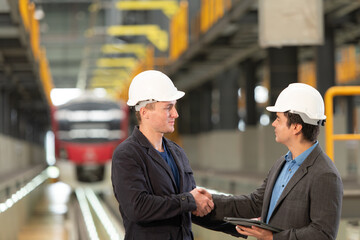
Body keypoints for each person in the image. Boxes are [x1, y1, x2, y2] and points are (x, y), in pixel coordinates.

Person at [198, 83, 343, 240]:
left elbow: (323, 234)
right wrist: (210, 200)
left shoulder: (325, 175)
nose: (273, 123)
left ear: (296, 127)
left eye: (278, 119)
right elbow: (255, 204)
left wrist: (273, 237)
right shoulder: (282, 163)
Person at [111, 70, 215, 240]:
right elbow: (138, 208)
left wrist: (238, 226)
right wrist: (188, 200)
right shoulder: (127, 154)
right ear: (145, 112)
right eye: (168, 107)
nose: (175, 114)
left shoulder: (177, 152)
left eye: (174, 106)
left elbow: (193, 206)